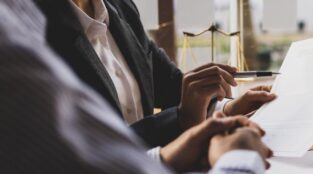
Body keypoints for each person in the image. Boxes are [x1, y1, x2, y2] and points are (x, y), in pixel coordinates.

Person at [0, 0, 275, 174]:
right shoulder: (23, 30)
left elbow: (171, 85)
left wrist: (225, 110)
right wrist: (241, 156)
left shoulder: (118, 7)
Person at [33, 0, 276, 148]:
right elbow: (92, 148)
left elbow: (174, 90)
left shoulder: (120, 8)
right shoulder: (32, 31)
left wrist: (228, 112)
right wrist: (181, 120)